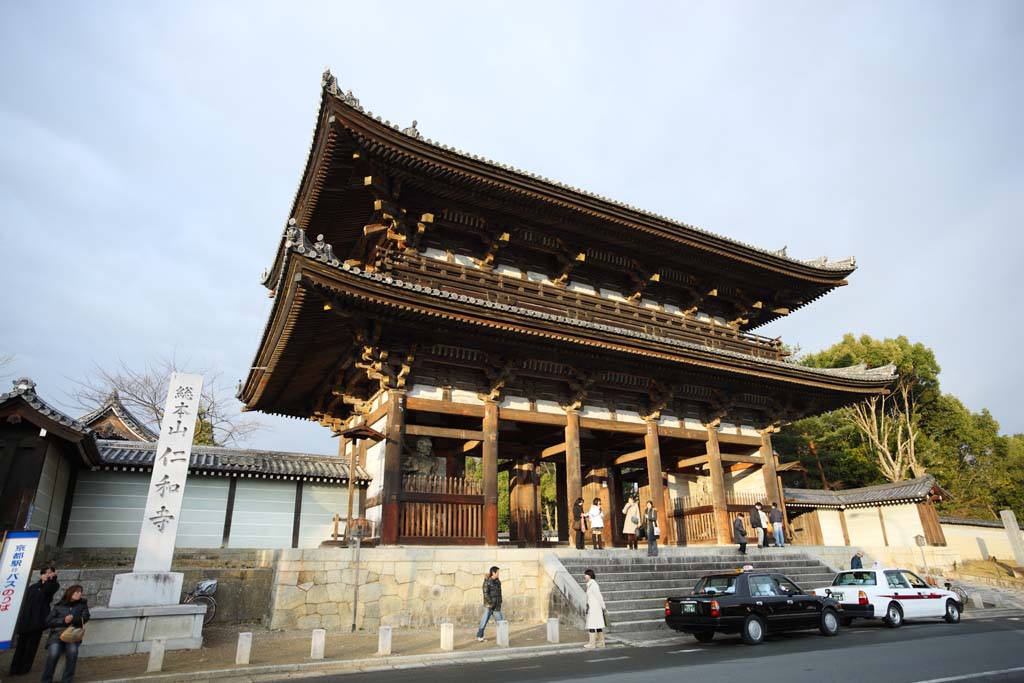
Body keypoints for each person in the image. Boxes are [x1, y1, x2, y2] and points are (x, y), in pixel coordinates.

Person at [9, 566, 60, 676]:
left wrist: (52, 578)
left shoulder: (53, 585)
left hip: (38, 620)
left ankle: (24, 669)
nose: (47, 575)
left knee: (32, 646)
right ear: (41, 574)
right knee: (20, 646)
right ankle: (14, 669)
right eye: (45, 573)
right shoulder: (33, 587)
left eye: (49, 573)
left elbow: (48, 590)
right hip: (26, 619)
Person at [41, 584, 89, 683]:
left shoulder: (82, 605)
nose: (79, 594)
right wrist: (63, 620)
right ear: (70, 593)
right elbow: (48, 621)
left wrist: (73, 619)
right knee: (53, 654)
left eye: (80, 592)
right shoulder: (59, 606)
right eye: (77, 592)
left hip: (73, 635)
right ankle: (46, 679)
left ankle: (67, 680)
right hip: (56, 635)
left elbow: (86, 617)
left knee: (72, 653)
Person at [475, 566, 503, 642]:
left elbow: (499, 593)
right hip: (489, 606)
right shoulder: (487, 582)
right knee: (484, 621)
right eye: (498, 572)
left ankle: (502, 638)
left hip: (496, 606)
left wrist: (499, 601)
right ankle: (480, 636)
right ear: (493, 573)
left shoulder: (497, 582)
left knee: (501, 621)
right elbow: (486, 594)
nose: (499, 574)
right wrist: (491, 603)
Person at [582, 569, 606, 649]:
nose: (584, 576)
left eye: (586, 574)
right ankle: (601, 643)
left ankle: (592, 644)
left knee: (591, 625)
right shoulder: (590, 585)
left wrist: (603, 607)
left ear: (590, 575)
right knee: (598, 625)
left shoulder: (593, 585)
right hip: (593, 608)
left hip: (594, 609)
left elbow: (599, 596)